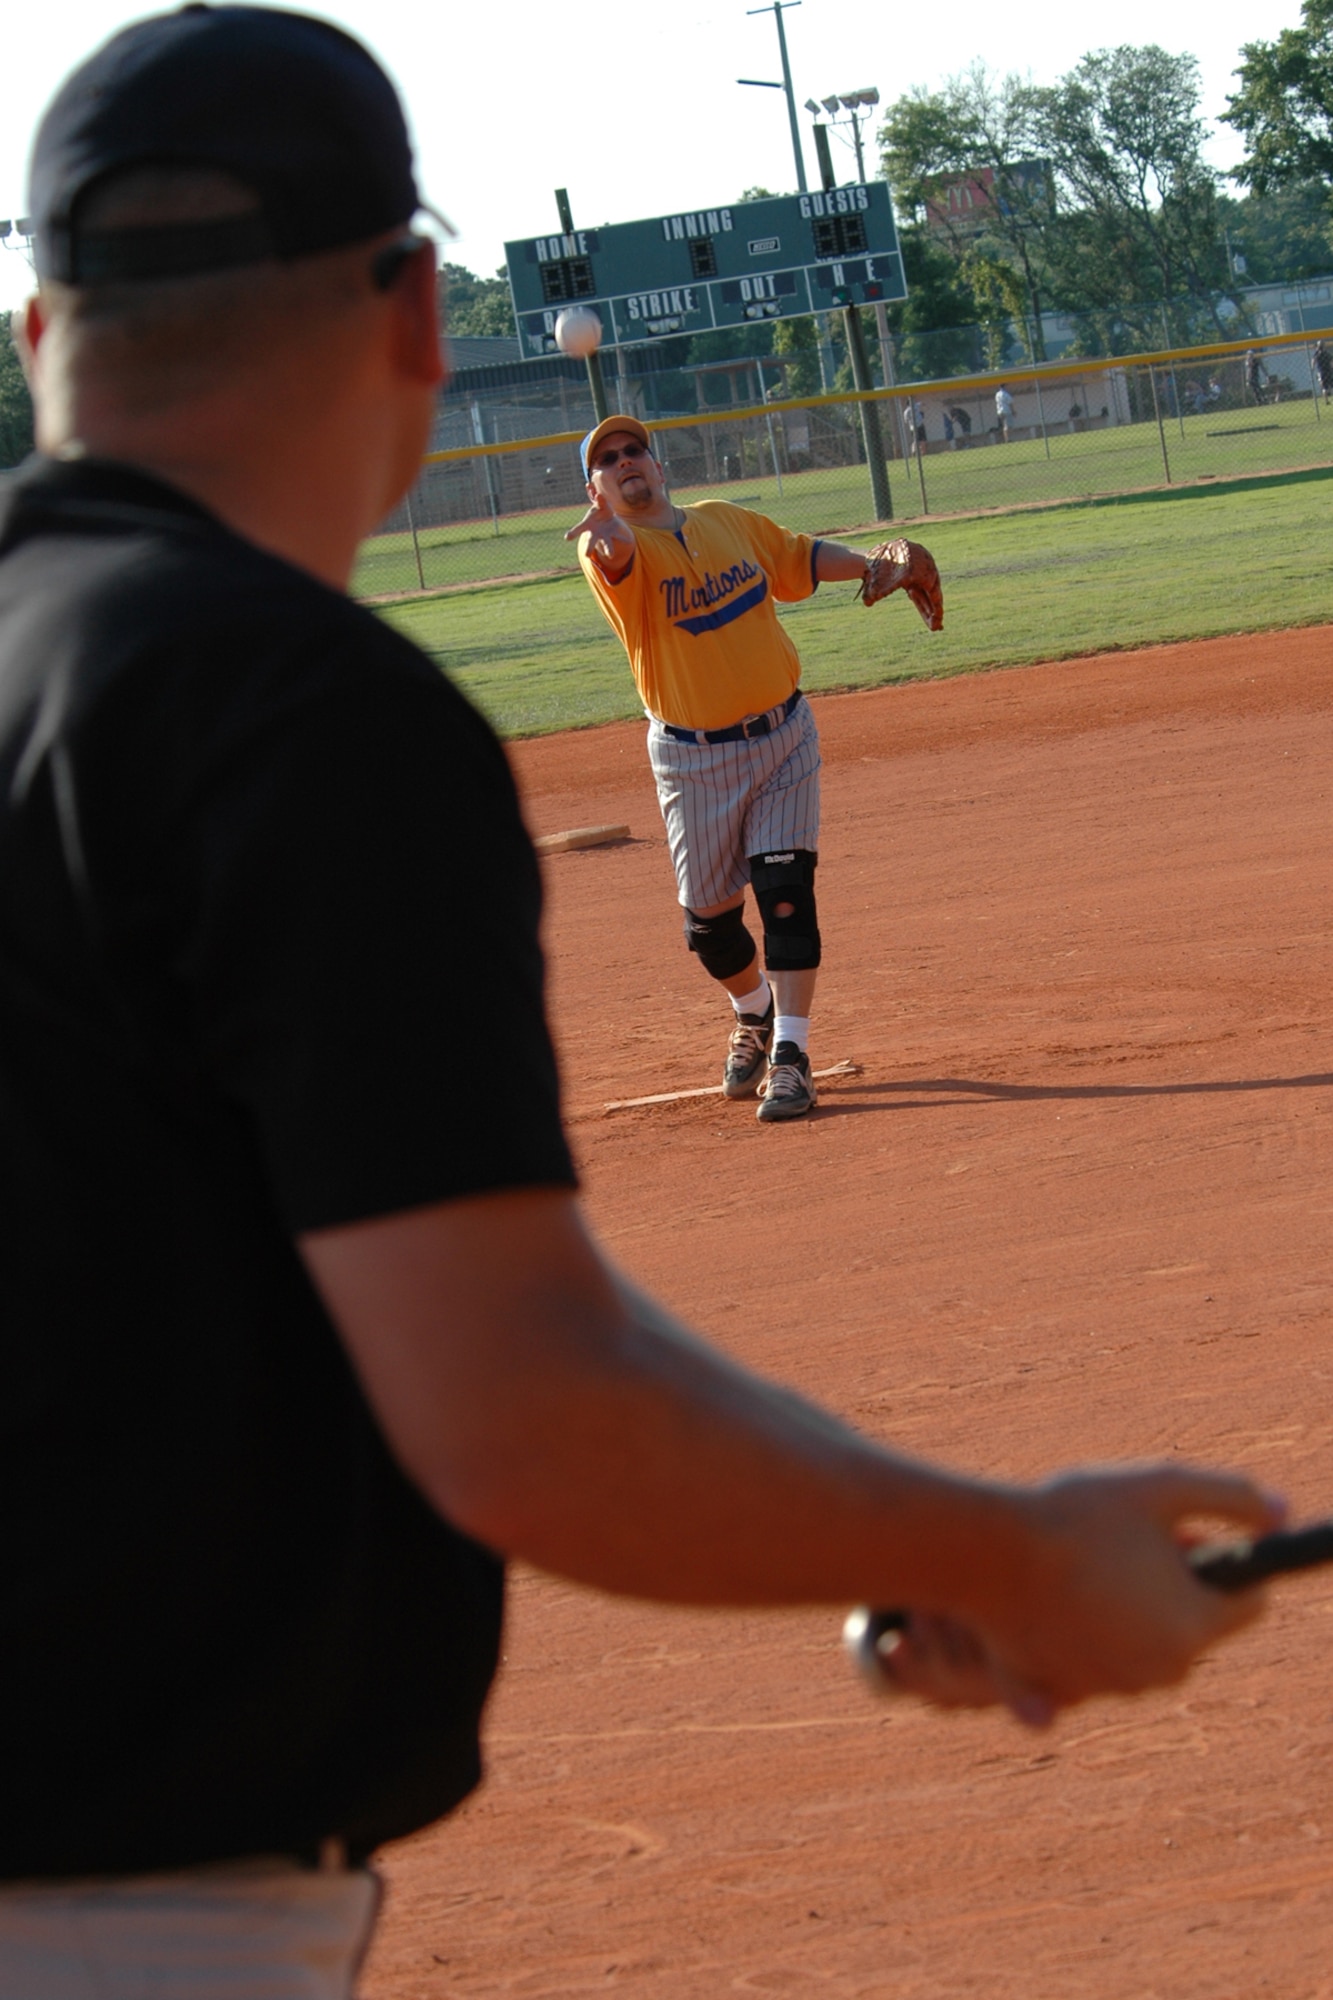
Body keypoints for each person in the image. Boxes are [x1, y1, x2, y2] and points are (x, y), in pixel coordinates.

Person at [1, 8, 1280, 1992]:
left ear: (33, 337)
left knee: (768, 902)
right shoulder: (290, 716)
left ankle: (776, 1013)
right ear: (421, 318)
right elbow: (520, 1403)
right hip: (116, 1901)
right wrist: (1004, 1554)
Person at [566, 416, 935, 1121]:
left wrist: (870, 564)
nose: (623, 461)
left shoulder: (723, 522)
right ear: (596, 487)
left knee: (785, 892)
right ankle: (753, 1011)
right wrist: (606, 531)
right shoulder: (610, 548)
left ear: (657, 462)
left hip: (782, 739)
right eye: (607, 460)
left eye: (632, 449)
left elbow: (795, 557)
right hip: (690, 758)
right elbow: (614, 558)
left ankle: (792, 1057)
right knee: (708, 928)